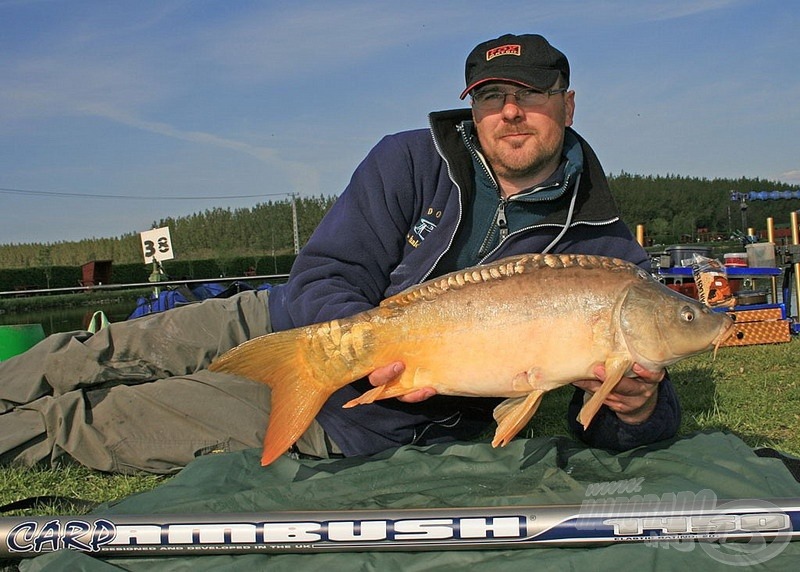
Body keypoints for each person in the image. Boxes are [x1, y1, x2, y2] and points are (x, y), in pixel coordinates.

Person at [0, 33, 678, 474]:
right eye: (492, 97)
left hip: (366, 414)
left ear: (568, 103)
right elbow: (328, 270)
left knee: (105, 420)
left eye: (529, 95)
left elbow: (623, 429)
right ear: (472, 109)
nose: (510, 112)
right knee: (102, 349)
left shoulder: (605, 247)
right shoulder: (409, 158)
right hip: (283, 316)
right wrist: (354, 342)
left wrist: (639, 410)